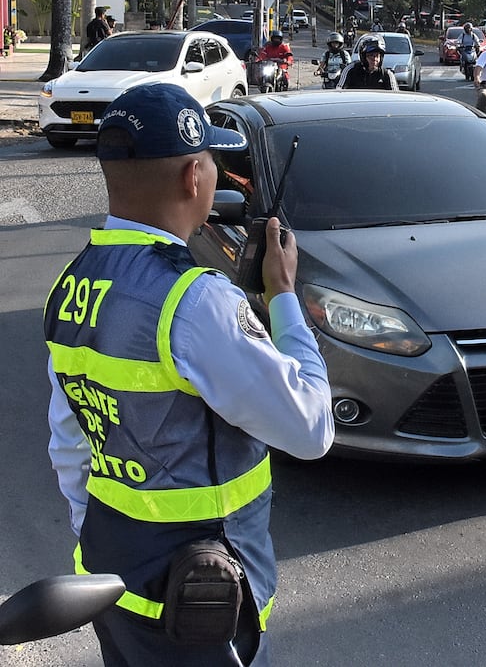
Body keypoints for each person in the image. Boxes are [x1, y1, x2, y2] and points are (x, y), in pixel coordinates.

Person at [44, 82, 333, 666]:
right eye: (213, 163)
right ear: (192, 178)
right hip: (201, 602)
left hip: (113, 583)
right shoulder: (195, 302)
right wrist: (282, 299)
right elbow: (311, 425)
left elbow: (69, 440)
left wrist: (99, 530)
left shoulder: (70, 285)